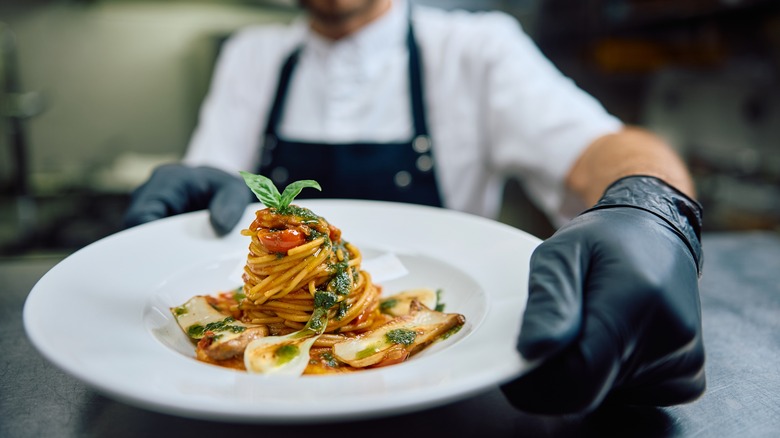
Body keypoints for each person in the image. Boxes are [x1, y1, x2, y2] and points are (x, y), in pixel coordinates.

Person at [124, 0, 705, 414]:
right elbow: (221, 191)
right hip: (253, 401)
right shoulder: (253, 53)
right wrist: (196, 200)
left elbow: (606, 147)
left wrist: (650, 207)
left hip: (448, 391)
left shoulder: (478, 46)